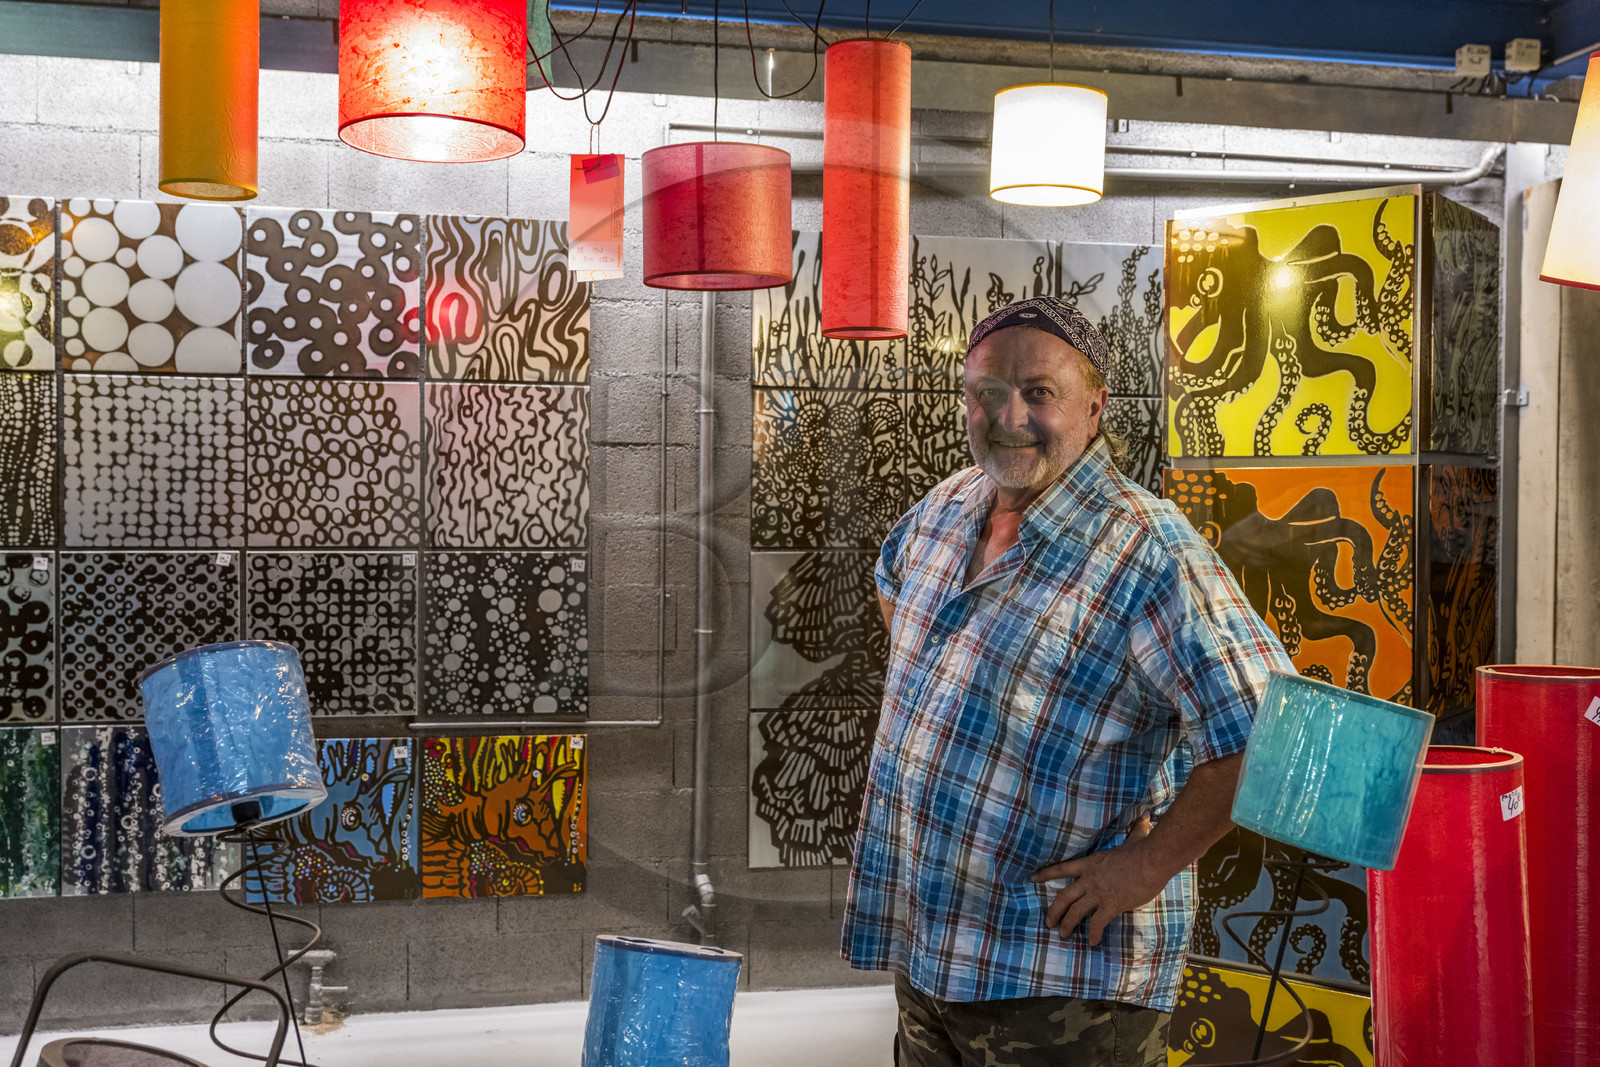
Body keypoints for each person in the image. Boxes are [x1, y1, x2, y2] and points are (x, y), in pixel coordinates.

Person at [841, 296, 1295, 1067]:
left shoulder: (1147, 550)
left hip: (1061, 977)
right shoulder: (949, 508)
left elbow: (1272, 731)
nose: (1009, 414)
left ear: (1094, 407)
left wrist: (1145, 867)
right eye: (987, 391)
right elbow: (893, 582)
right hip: (931, 952)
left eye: (1039, 393)